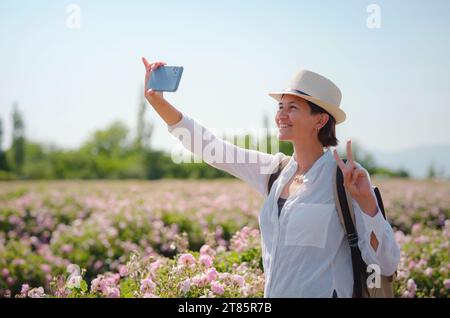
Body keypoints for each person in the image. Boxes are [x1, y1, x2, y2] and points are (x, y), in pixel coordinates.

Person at [141, 57, 400, 298]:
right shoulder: (275, 171)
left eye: (293, 107)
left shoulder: (344, 178)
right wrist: (158, 103)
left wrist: (367, 202)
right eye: (280, 107)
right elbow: (214, 150)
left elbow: (385, 263)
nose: (281, 115)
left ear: (320, 120)